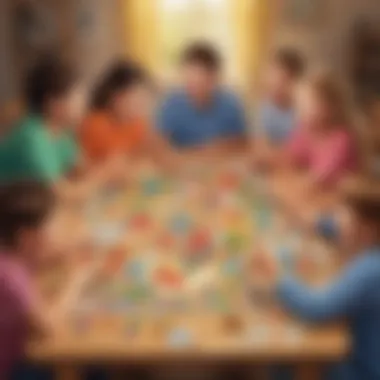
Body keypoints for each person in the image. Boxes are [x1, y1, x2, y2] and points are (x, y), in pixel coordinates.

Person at [251, 187, 380, 380]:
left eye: (347, 219)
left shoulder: (370, 268)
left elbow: (317, 308)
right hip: (361, 355)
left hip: (363, 370)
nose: (339, 223)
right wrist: (313, 221)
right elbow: (332, 227)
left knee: (283, 360)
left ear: (367, 229)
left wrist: (277, 275)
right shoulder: (370, 247)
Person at [0, 182, 56, 379]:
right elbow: (48, 326)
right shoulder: (11, 277)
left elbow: (37, 262)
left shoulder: (11, 256)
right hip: (12, 369)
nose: (54, 235)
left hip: (18, 354)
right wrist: (79, 280)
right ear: (27, 237)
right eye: (50, 228)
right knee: (96, 367)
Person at [0, 56, 82, 184]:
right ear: (54, 103)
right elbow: (61, 194)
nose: (82, 103)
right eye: (76, 96)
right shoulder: (33, 137)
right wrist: (105, 173)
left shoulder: (62, 129)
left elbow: (78, 170)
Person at [157, 42, 247, 152]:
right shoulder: (171, 104)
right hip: (183, 165)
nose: (193, 87)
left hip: (221, 164)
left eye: (200, 81)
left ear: (214, 78)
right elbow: (160, 147)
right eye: (189, 80)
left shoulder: (230, 103)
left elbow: (240, 143)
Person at [287, 70, 357, 190]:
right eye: (299, 104)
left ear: (328, 108)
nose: (301, 111)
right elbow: (290, 158)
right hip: (316, 196)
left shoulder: (341, 139)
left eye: (308, 104)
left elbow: (321, 178)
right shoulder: (305, 130)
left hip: (338, 200)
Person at [256, 48, 305, 147]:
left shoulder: (303, 110)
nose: (274, 86)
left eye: (281, 81)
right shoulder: (266, 106)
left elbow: (298, 152)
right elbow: (260, 144)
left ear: (294, 82)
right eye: (270, 77)